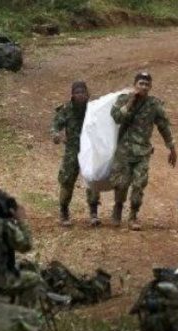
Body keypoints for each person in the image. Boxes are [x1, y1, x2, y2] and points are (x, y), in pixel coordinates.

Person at [110, 72, 177, 230]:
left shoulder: (154, 105)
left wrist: (172, 148)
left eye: (147, 84)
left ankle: (133, 216)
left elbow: (163, 126)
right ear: (135, 85)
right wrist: (130, 103)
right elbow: (116, 117)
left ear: (151, 87)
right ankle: (118, 209)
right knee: (121, 184)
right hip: (124, 152)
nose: (144, 87)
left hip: (143, 152)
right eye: (141, 83)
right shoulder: (123, 99)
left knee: (139, 185)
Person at [51, 81, 101, 227]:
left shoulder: (93, 109)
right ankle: (64, 211)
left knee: (92, 180)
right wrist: (57, 135)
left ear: (87, 94)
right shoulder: (66, 110)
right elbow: (55, 126)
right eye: (77, 93)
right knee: (67, 181)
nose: (80, 95)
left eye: (83, 92)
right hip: (72, 150)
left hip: (89, 150)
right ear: (72, 95)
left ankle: (93, 213)